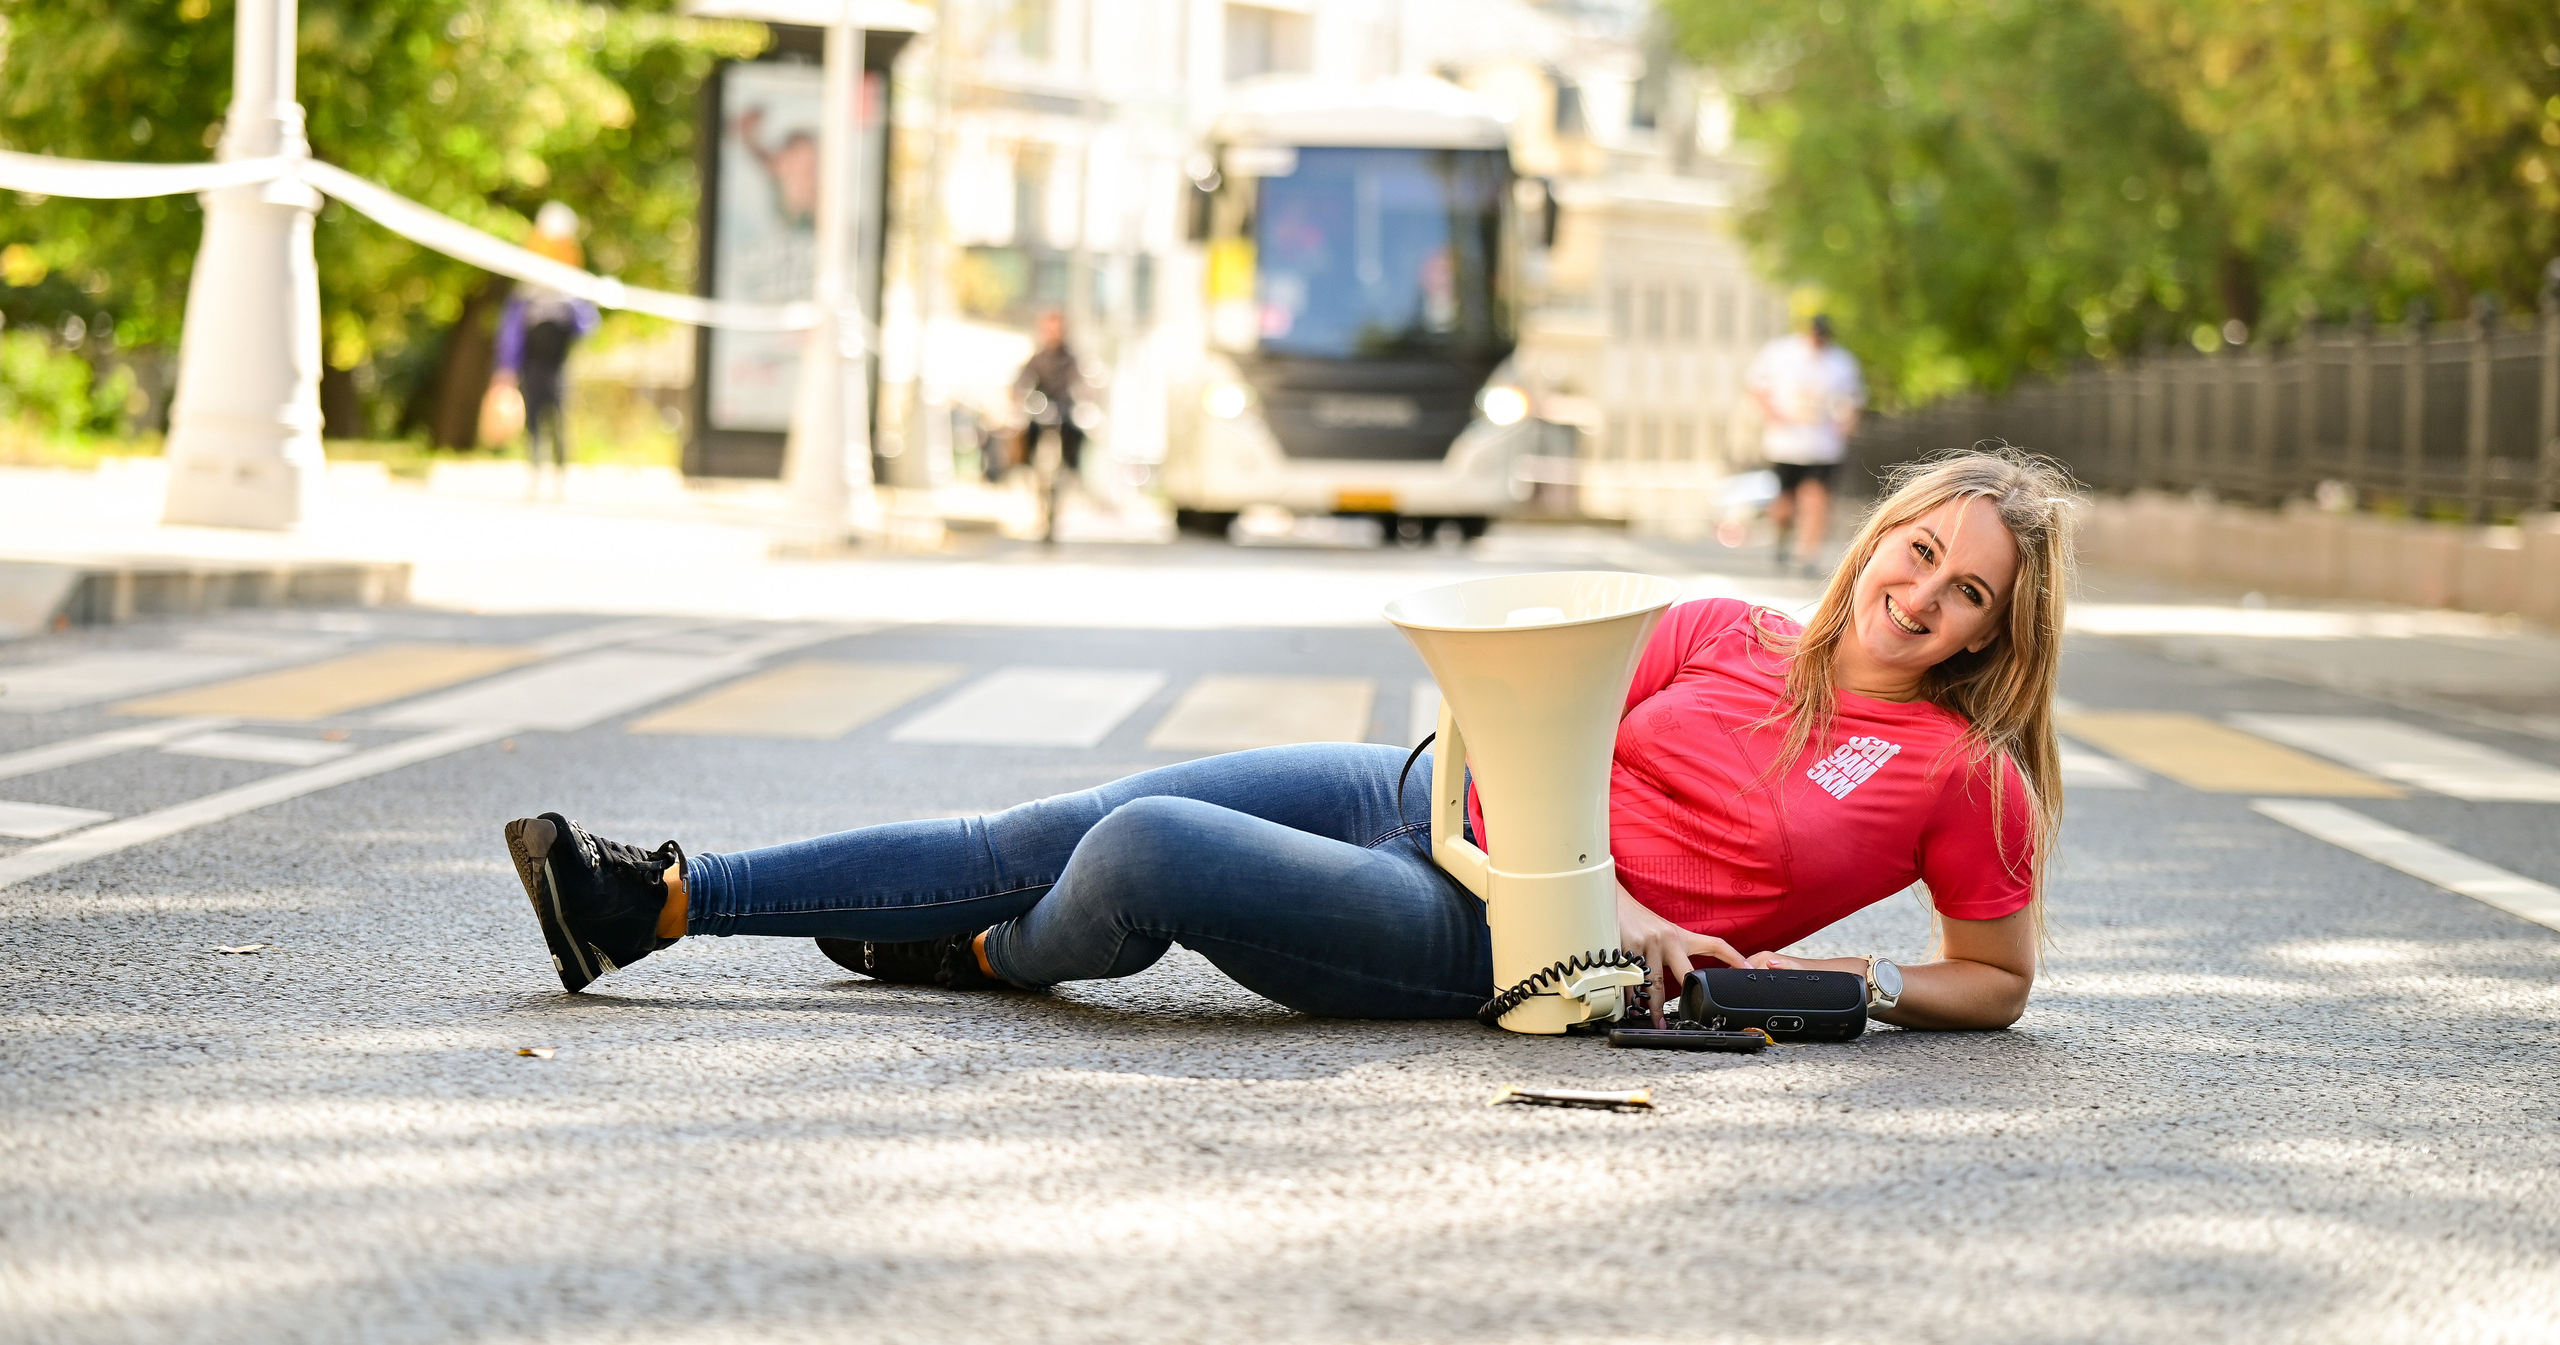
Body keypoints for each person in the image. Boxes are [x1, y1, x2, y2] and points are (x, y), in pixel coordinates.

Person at [503, 448, 2074, 1034]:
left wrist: (1837, 981)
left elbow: (1996, 980)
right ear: (1882, 533)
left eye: (1969, 594)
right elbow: (1507, 716)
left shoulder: (1969, 780)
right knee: (1044, 825)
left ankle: (991, 956)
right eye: (1921, 549)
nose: (1924, 592)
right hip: (1414, 798)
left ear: (1992, 635)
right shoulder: (1723, 626)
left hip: (1510, 938)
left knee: (1143, 852)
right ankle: (658, 902)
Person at [490, 202, 600, 494]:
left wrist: (578, 302)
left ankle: (561, 474)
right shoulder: (525, 296)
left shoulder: (572, 294)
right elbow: (511, 335)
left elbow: (587, 327)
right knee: (534, 421)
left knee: (559, 420)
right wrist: (506, 369)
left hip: (559, 368)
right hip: (532, 366)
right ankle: (536, 472)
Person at [1746, 312, 1865, 575]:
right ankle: (1782, 537)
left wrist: (1846, 424)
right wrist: (1775, 415)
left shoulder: (1841, 362)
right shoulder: (1780, 353)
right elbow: (1757, 386)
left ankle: (1808, 554)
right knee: (1784, 503)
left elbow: (1854, 399)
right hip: (1786, 445)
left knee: (1816, 498)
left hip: (1823, 446)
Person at [1014, 309, 1090, 541]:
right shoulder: (1037, 358)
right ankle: (1026, 466)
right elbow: (1021, 382)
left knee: (1076, 434)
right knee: (1025, 432)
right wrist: (1018, 396)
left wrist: (1084, 395)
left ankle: (1072, 467)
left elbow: (1082, 383)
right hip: (1040, 414)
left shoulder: (1071, 359)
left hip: (1064, 414)